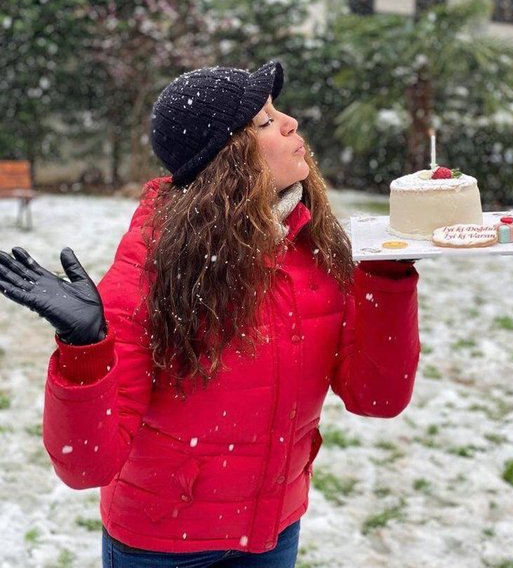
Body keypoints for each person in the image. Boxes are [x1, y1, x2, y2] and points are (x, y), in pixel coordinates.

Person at [0, 60, 420, 568]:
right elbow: (86, 466)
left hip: (273, 534)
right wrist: (85, 351)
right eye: (264, 121)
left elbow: (377, 398)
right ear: (228, 160)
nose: (290, 123)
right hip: (159, 547)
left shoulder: (315, 250)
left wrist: (390, 278)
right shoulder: (151, 268)